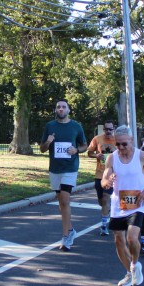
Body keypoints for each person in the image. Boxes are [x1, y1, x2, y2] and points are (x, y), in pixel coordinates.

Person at [102, 127, 144, 286]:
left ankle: (135, 264)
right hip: (118, 204)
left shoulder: (141, 156)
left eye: (124, 144)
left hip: (138, 203)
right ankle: (129, 273)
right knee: (118, 240)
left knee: (131, 237)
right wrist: (107, 182)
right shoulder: (112, 158)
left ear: (132, 141)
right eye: (117, 144)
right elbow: (104, 180)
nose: (121, 147)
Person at [40, 99, 88, 251]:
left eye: (63, 107)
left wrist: (76, 150)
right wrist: (48, 142)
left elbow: (84, 145)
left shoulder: (76, 126)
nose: (61, 109)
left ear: (68, 110)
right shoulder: (50, 126)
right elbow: (42, 149)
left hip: (70, 168)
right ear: (56, 110)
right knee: (61, 202)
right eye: (58, 107)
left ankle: (66, 237)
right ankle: (71, 229)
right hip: (55, 169)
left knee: (65, 199)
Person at [86, 120, 117, 236]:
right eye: (106, 129)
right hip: (99, 174)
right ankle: (107, 210)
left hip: (112, 174)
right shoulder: (97, 139)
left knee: (106, 198)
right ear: (103, 129)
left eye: (110, 129)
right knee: (101, 201)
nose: (108, 131)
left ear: (114, 129)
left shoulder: (118, 140)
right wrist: (96, 155)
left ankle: (104, 226)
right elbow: (89, 152)